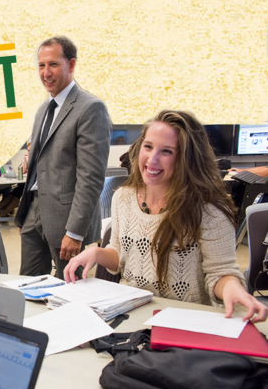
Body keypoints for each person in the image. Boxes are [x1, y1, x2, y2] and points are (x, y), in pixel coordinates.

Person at [64, 110, 267, 323]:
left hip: (183, 321)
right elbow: (120, 256)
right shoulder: (123, 198)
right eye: (148, 147)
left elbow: (221, 273)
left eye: (167, 151)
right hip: (130, 315)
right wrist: (96, 253)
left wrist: (232, 289)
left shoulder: (208, 210)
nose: (152, 160)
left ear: (186, 159)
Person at [14, 36, 110, 279]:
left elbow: (90, 177)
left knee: (70, 289)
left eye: (53, 64)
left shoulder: (90, 108)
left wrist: (75, 232)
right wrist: (25, 213)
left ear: (71, 64)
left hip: (66, 217)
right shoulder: (42, 111)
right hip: (34, 212)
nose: (46, 72)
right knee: (29, 285)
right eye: (41, 65)